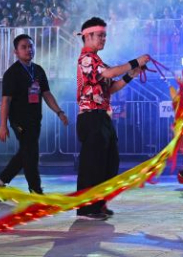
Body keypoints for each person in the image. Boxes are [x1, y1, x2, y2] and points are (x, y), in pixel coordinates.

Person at [75, 17, 149, 220]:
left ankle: (98, 204)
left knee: (109, 163)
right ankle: (86, 208)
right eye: (100, 35)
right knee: (93, 165)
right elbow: (109, 73)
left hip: (101, 117)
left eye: (105, 35)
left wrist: (131, 74)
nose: (104, 39)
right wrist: (135, 62)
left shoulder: (98, 61)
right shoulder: (86, 59)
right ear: (88, 36)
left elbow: (111, 88)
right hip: (91, 118)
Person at [0, 34, 68, 193]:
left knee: (26, 152)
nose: (28, 50)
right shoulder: (11, 73)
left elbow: (46, 94)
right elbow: (6, 101)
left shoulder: (38, 70)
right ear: (16, 52)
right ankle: (35, 188)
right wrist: (3, 126)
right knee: (31, 153)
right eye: (24, 47)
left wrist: (59, 112)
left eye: (30, 46)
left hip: (35, 120)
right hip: (19, 121)